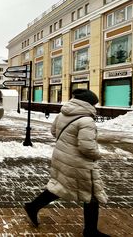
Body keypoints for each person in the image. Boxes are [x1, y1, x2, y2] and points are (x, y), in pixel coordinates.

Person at [24, 89, 109, 237]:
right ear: (89, 103)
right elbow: (87, 147)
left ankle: (33, 206)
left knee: (61, 186)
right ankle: (90, 231)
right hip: (79, 163)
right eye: (94, 103)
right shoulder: (86, 120)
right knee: (92, 195)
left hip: (63, 157)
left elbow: (53, 132)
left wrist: (67, 144)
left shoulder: (63, 113)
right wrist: (97, 154)